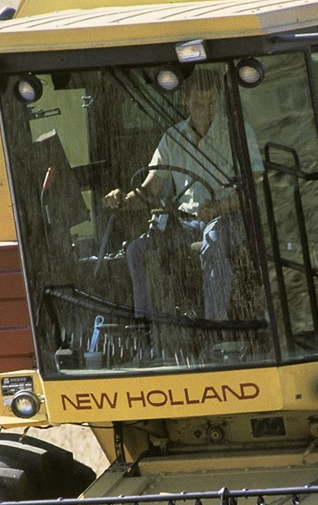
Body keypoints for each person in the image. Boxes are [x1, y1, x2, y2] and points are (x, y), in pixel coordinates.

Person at [105, 68, 262, 324]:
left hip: (231, 221)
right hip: (185, 224)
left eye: (211, 102)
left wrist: (220, 207)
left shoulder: (237, 133)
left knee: (212, 240)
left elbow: (254, 189)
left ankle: (216, 328)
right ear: (184, 99)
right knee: (137, 250)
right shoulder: (172, 138)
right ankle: (147, 328)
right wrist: (121, 200)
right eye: (199, 104)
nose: (206, 110)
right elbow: (149, 191)